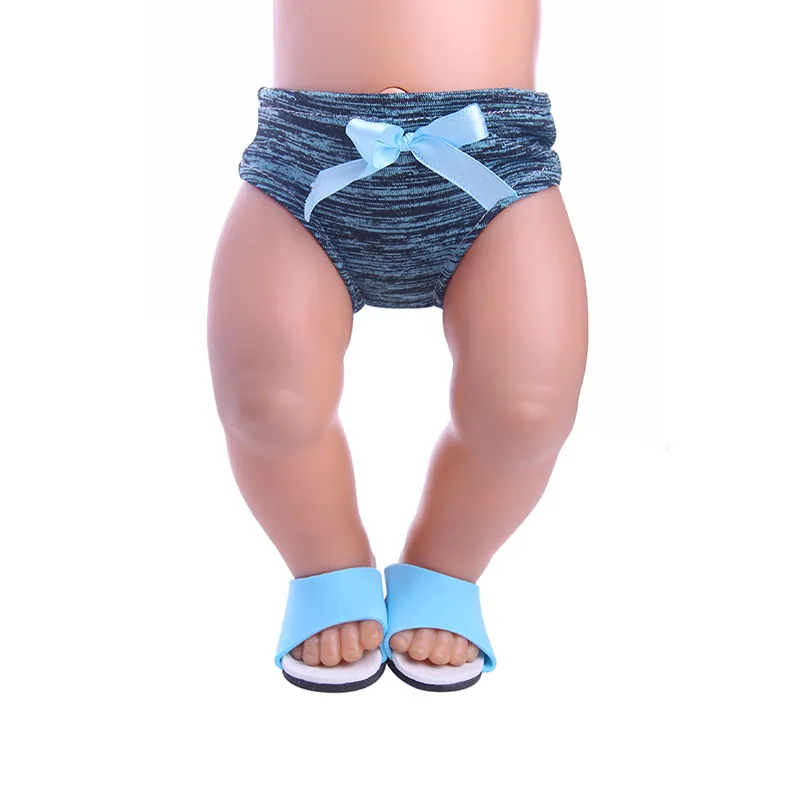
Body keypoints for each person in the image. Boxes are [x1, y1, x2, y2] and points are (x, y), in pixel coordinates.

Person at [207, 0, 588, 692]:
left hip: (492, 157)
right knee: (268, 401)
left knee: (526, 410)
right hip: (312, 156)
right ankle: (325, 564)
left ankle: (447, 568)